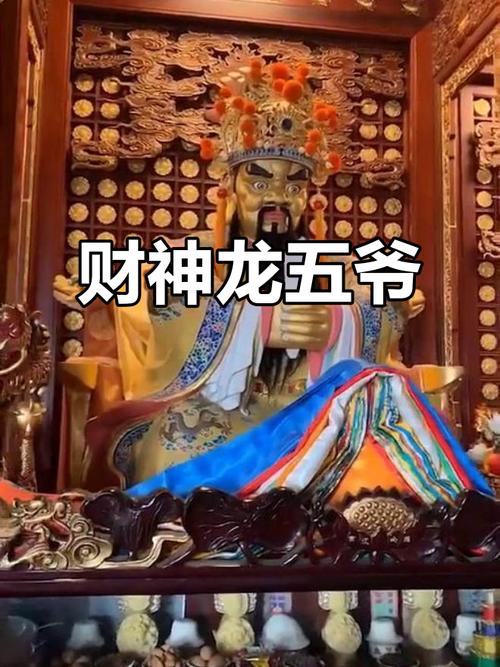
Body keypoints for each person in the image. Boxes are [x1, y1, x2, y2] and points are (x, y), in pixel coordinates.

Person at [54, 59, 489, 506]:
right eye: (260, 183)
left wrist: (340, 324)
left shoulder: (333, 264)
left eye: (294, 186)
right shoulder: (193, 257)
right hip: (218, 413)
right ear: (230, 185)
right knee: (172, 455)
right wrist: (256, 322)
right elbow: (166, 309)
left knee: (381, 468)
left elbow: (378, 315)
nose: (279, 196)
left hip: (315, 416)